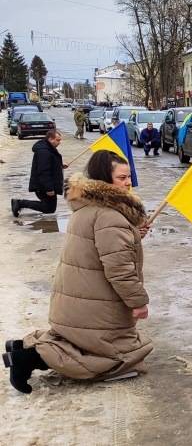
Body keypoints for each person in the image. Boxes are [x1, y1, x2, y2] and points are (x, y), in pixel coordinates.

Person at [3, 150, 152, 394]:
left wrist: (133, 234)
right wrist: (138, 302)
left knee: (78, 340)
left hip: (79, 296)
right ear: (105, 180)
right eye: (122, 178)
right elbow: (119, 269)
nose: (128, 183)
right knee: (120, 357)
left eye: (129, 177)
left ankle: (21, 347)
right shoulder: (109, 216)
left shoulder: (89, 206)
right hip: (96, 300)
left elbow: (103, 245)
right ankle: (27, 359)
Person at [11, 130, 66, 218]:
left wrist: (60, 165)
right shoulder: (44, 151)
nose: (59, 142)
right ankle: (19, 203)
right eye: (58, 140)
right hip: (44, 186)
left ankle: (19, 203)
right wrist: (49, 188)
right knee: (49, 208)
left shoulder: (48, 148)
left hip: (45, 184)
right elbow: (43, 171)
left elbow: (49, 163)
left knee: (49, 208)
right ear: (50, 139)